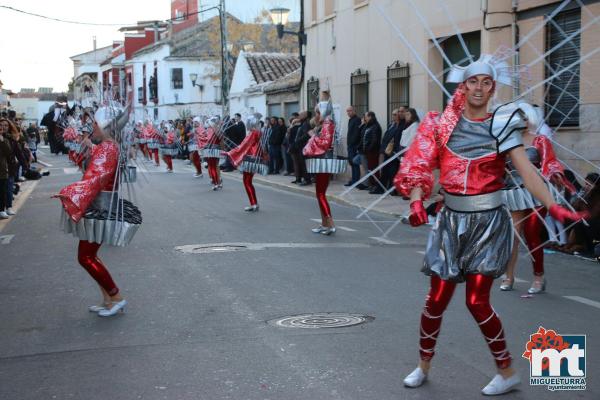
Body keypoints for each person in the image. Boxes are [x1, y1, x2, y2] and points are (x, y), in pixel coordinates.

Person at [395, 56, 588, 395]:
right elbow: (421, 166)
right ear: (463, 86)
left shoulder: (503, 125)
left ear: (492, 88)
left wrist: (554, 206)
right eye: (473, 82)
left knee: (477, 301)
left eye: (486, 83)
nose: (479, 88)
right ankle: (423, 365)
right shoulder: (440, 125)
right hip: (450, 222)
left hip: (488, 224)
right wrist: (415, 201)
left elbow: (528, 173)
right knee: (436, 299)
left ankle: (507, 370)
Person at [55, 104, 142, 317]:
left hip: (100, 206)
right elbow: (98, 168)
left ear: (106, 126)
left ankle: (116, 296)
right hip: (102, 204)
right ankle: (108, 298)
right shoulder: (110, 146)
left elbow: (96, 177)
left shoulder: (107, 148)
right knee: (90, 255)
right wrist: (89, 149)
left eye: (95, 123)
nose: (91, 126)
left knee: (85, 257)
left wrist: (72, 192)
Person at [500, 113, 574, 294]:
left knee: (532, 233)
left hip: (536, 192)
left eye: (523, 118)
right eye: (516, 119)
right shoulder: (505, 144)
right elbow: (495, 167)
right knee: (512, 237)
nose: (521, 122)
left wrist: (555, 174)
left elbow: (550, 162)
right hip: (514, 193)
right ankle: (508, 277)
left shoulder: (540, 140)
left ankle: (538, 277)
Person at [303, 93, 346, 235]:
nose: (316, 115)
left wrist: (313, 136)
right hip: (322, 161)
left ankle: (330, 224)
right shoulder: (325, 124)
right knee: (319, 193)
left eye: (317, 112)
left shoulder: (327, 124)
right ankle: (324, 224)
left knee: (320, 194)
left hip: (324, 162)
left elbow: (325, 143)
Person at [225, 113, 268, 211]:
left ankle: (254, 204)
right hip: (255, 158)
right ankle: (254, 203)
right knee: (248, 182)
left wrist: (229, 153)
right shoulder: (258, 132)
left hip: (250, 159)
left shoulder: (252, 133)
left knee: (247, 182)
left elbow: (243, 146)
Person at [372, 107, 405, 194]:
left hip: (394, 152)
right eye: (393, 114)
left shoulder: (401, 126)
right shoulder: (391, 125)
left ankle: (392, 190)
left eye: (395, 114)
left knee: (393, 172)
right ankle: (381, 188)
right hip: (387, 151)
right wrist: (383, 150)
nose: (393, 116)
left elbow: (398, 140)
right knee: (385, 171)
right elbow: (386, 138)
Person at [199, 116, 223, 190]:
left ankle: (216, 182)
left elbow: (220, 140)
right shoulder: (215, 129)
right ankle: (218, 182)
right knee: (215, 166)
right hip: (214, 150)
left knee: (213, 166)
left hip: (212, 150)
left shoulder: (213, 130)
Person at [291, 111, 312, 185]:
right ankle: (303, 179)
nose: (300, 115)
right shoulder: (303, 123)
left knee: (304, 164)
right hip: (300, 146)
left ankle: (307, 180)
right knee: (301, 163)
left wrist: (298, 140)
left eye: (302, 114)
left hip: (303, 146)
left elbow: (307, 135)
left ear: (306, 116)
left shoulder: (306, 124)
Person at [0, 118, 15, 219]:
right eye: (1, 126)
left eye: (5, 125)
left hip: (4, 169)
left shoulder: (6, 139)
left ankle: (3, 209)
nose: (3, 128)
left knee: (4, 190)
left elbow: (9, 152)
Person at [345, 106, 362, 186]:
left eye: (350, 111)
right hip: (350, 145)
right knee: (351, 163)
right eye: (347, 111)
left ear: (354, 111)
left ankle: (356, 181)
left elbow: (356, 133)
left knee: (355, 163)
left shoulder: (357, 120)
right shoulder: (350, 120)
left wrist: (352, 144)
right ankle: (353, 179)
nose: (348, 112)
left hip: (354, 146)